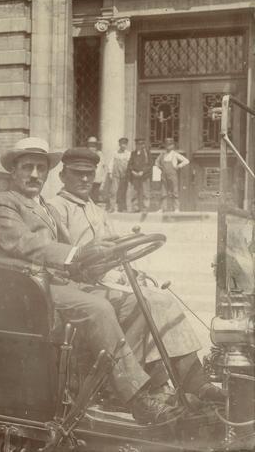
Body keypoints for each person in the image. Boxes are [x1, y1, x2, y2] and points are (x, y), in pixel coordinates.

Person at [0, 137, 220, 425]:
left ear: (47, 173)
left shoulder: (44, 205)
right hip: (28, 288)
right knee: (98, 308)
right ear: (13, 171)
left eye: (40, 168)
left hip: (61, 283)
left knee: (137, 301)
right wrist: (78, 253)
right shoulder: (1, 203)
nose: (34, 175)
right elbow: (25, 244)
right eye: (27, 167)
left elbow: (75, 257)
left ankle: (170, 384)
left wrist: (101, 260)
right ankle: (137, 398)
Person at [51, 148, 222, 406]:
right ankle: (126, 385)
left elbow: (116, 246)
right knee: (147, 303)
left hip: (107, 282)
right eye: (78, 174)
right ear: (63, 176)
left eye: (89, 174)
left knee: (161, 300)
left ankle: (193, 381)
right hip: (79, 287)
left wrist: (124, 271)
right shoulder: (56, 209)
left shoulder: (97, 210)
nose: (85, 179)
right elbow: (60, 259)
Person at [155, 138, 189, 213]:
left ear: (173, 146)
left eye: (170, 145)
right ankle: (163, 208)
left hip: (173, 175)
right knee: (163, 191)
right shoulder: (162, 154)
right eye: (167, 145)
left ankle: (176, 208)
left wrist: (178, 166)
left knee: (175, 191)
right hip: (164, 175)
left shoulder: (175, 154)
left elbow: (186, 161)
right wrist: (159, 166)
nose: (168, 147)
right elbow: (156, 162)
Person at [128, 138, 152, 212]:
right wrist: (132, 171)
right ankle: (135, 208)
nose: (140, 146)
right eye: (138, 144)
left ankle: (145, 208)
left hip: (144, 176)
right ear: (136, 145)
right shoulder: (133, 153)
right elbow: (130, 164)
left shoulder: (147, 153)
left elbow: (150, 164)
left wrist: (143, 171)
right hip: (135, 175)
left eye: (142, 144)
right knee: (135, 192)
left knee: (145, 192)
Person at [107, 137, 131, 213]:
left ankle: (122, 207)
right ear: (119, 144)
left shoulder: (129, 154)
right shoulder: (115, 153)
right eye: (121, 144)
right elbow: (111, 163)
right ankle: (112, 207)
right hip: (116, 174)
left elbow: (130, 165)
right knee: (113, 191)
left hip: (125, 175)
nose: (123, 146)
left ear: (126, 145)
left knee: (123, 191)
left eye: (125, 144)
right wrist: (110, 172)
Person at [86, 136, 105, 203]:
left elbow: (103, 166)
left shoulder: (100, 154)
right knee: (88, 195)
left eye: (94, 145)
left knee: (95, 195)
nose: (92, 148)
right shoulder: (86, 154)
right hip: (88, 177)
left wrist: (103, 178)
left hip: (97, 178)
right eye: (90, 145)